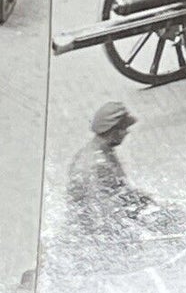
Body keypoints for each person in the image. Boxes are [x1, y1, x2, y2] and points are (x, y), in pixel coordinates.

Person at [62, 103, 155, 266]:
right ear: (112, 131)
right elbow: (104, 212)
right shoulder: (99, 164)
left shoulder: (98, 150)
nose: (127, 132)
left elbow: (119, 192)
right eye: (123, 128)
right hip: (96, 238)